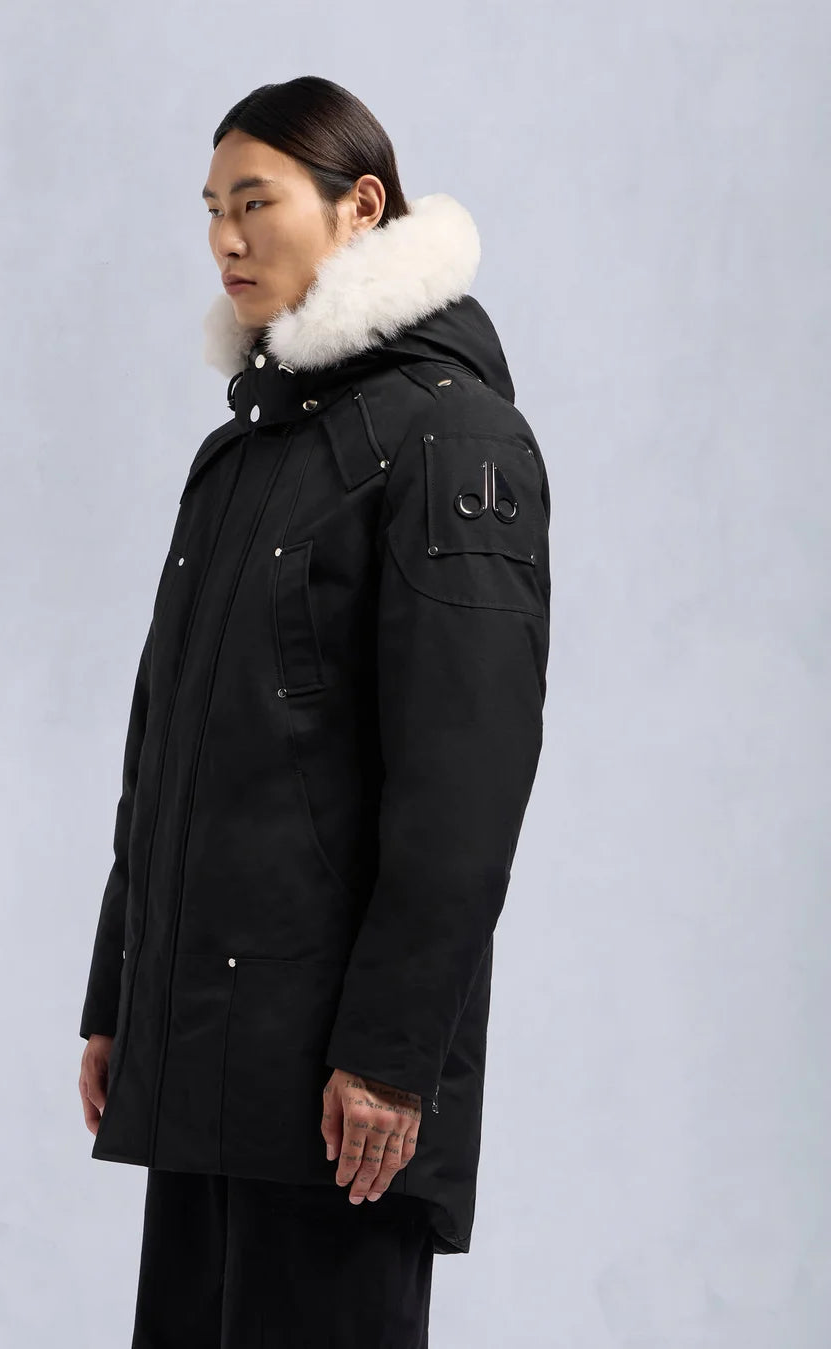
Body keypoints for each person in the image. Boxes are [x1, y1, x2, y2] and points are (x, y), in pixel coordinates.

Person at [77, 75, 551, 1348]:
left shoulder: (452, 441)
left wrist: (392, 1054)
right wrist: (120, 994)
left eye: (256, 203)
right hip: (205, 1052)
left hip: (340, 1088)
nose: (226, 240)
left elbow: (464, 785)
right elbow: (166, 750)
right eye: (210, 210)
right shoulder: (240, 458)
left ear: (361, 207)